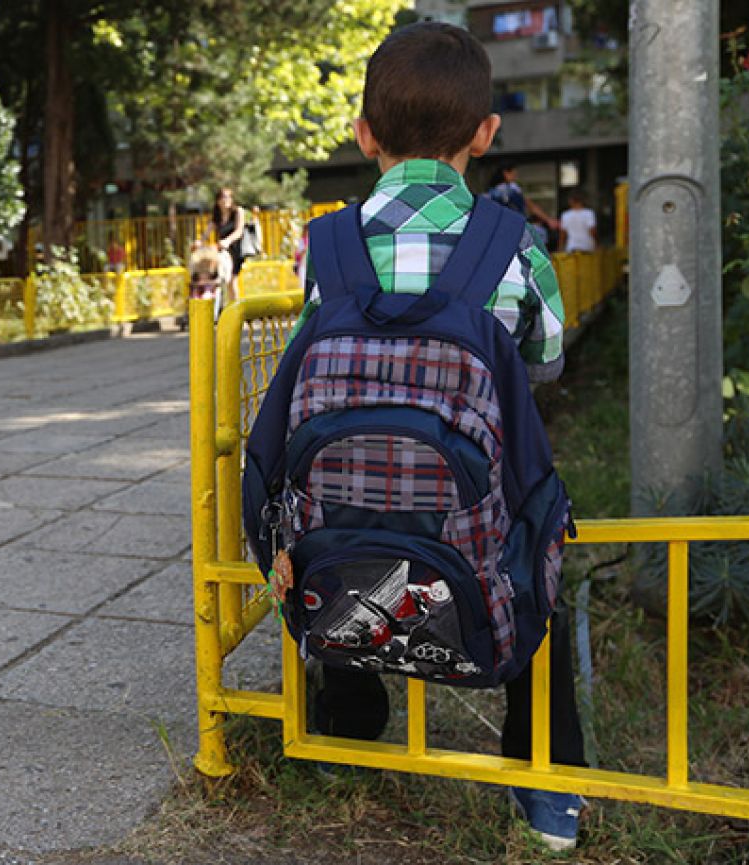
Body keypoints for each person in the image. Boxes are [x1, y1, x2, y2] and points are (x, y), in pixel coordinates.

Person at [287, 21, 584, 851]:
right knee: (538, 538)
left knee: (340, 503)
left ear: (362, 134)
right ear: (485, 135)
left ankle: (344, 730)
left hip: (343, 516)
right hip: (470, 522)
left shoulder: (326, 247)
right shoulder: (513, 248)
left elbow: (303, 361)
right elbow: (548, 360)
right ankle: (545, 790)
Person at [488, 162, 559, 236]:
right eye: (514, 174)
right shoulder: (511, 188)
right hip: (516, 226)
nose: (515, 177)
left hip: (501, 228)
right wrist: (547, 219)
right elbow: (530, 205)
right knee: (540, 234)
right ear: (505, 173)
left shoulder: (492, 191)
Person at [210, 187, 246, 304]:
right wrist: (200, 241)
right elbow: (207, 231)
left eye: (228, 197)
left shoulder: (238, 211)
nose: (225, 200)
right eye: (222, 197)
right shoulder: (217, 216)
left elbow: (239, 231)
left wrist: (227, 240)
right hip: (223, 253)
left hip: (235, 250)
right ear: (218, 200)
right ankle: (228, 309)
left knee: (232, 281)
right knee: (223, 281)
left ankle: (237, 312)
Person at [559, 189, 597, 253]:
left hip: (572, 247)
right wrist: (597, 243)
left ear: (571, 201)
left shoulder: (565, 215)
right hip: (587, 246)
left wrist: (560, 247)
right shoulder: (589, 213)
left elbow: (563, 234)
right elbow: (592, 231)